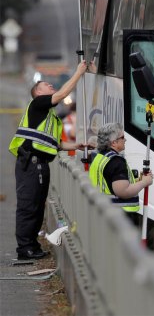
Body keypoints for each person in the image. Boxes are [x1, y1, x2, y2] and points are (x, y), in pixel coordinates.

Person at [9, 61, 95, 260]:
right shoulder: (38, 104)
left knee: (37, 206)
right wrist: (79, 72)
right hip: (31, 163)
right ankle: (25, 249)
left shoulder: (49, 117)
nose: (51, 86)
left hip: (38, 163)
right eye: (46, 85)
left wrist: (77, 146)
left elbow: (54, 144)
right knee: (29, 206)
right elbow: (63, 94)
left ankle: (32, 245)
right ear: (38, 93)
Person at [88, 123, 153, 225]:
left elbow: (110, 183)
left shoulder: (100, 157)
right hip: (119, 217)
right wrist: (144, 182)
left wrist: (137, 181)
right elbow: (123, 191)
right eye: (122, 137)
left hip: (103, 214)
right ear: (114, 143)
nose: (125, 140)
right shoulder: (116, 162)